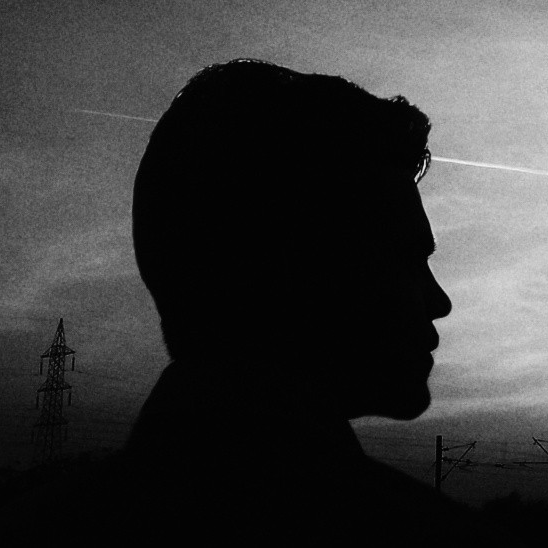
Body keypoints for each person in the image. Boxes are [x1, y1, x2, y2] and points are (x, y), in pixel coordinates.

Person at [120, 58, 456, 545]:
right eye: (406, 257)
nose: (439, 301)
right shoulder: (414, 533)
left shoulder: (49, 523)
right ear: (296, 259)